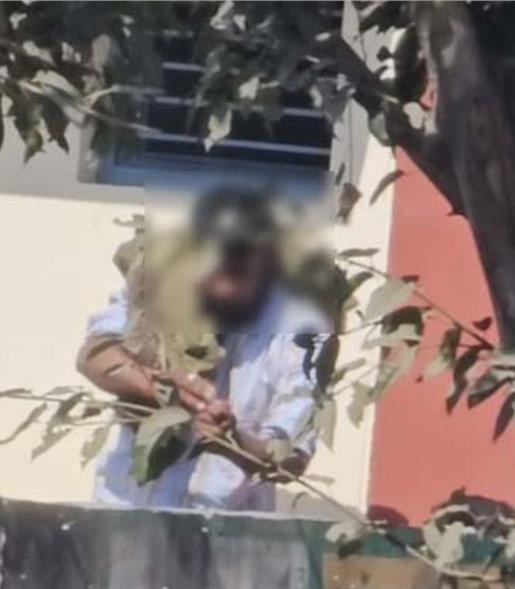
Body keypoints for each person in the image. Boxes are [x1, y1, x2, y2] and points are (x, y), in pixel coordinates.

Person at [76, 186, 331, 511]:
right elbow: (95, 355)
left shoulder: (299, 334)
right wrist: (158, 387)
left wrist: (231, 440)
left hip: (223, 524)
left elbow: (291, 458)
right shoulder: (156, 288)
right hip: (125, 507)